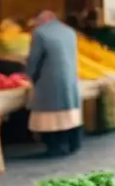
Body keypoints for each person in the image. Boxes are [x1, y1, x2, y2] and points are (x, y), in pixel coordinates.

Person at [26, 11, 82, 157]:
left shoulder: (40, 34)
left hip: (48, 80)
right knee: (70, 113)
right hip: (70, 78)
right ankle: (73, 143)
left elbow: (34, 59)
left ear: (42, 20)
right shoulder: (69, 31)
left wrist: (30, 76)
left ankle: (54, 147)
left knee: (49, 116)